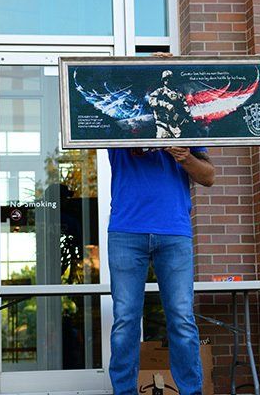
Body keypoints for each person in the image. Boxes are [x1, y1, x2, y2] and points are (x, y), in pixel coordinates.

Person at [107, 146, 215, 395]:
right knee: (125, 318)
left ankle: (191, 392)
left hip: (174, 230)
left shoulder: (182, 128)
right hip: (126, 230)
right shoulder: (118, 125)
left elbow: (208, 176)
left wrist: (185, 156)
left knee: (181, 317)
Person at [148, 69, 193, 139]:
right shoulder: (159, 91)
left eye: (169, 78)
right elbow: (151, 101)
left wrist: (189, 116)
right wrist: (164, 104)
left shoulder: (178, 93)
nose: (167, 80)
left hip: (175, 124)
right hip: (162, 123)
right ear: (163, 80)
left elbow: (184, 105)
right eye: (165, 79)